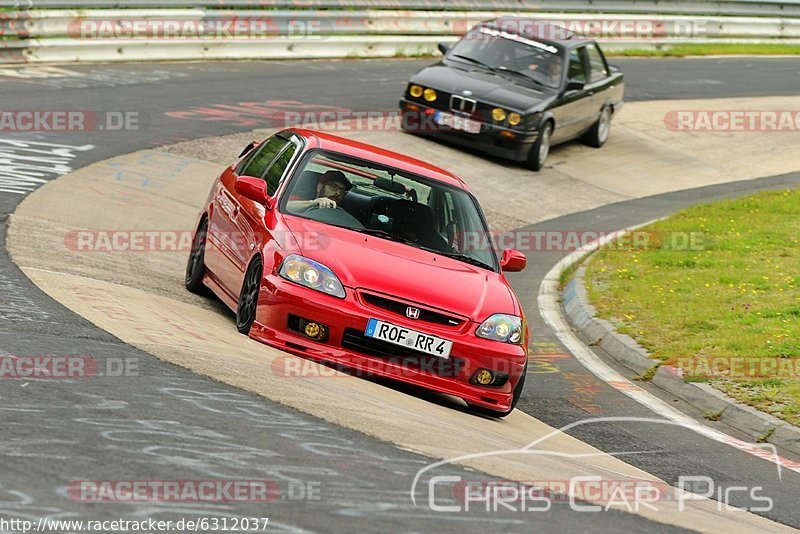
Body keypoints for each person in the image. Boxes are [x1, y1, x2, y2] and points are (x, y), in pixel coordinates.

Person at [286, 170, 352, 212]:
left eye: (342, 191)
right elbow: (285, 207)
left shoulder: (344, 214)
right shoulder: (300, 201)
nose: (338, 193)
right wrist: (312, 203)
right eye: (334, 187)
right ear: (319, 187)